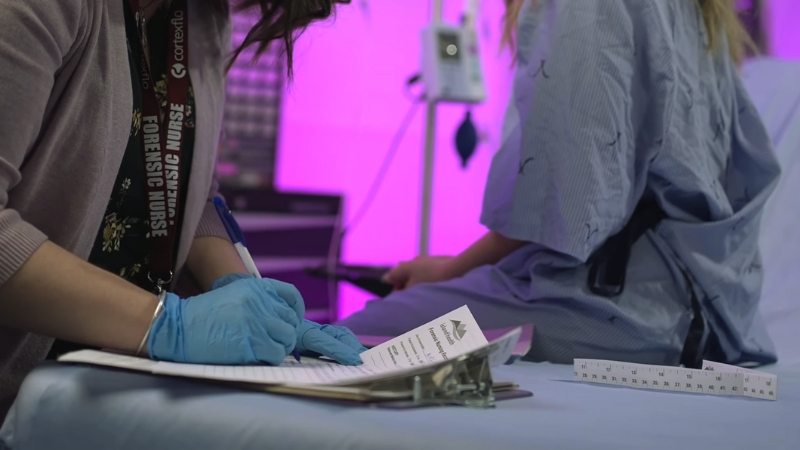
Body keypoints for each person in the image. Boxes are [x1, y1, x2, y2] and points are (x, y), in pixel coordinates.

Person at [337, 0, 781, 369]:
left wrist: (449, 272)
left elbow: (564, 202)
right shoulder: (701, 13)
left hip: (625, 312)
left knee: (348, 341)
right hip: (709, 311)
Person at [0, 0, 364, 422]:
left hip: (112, 390)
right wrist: (167, 324)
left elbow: (191, 189)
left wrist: (246, 294)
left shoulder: (200, 16)